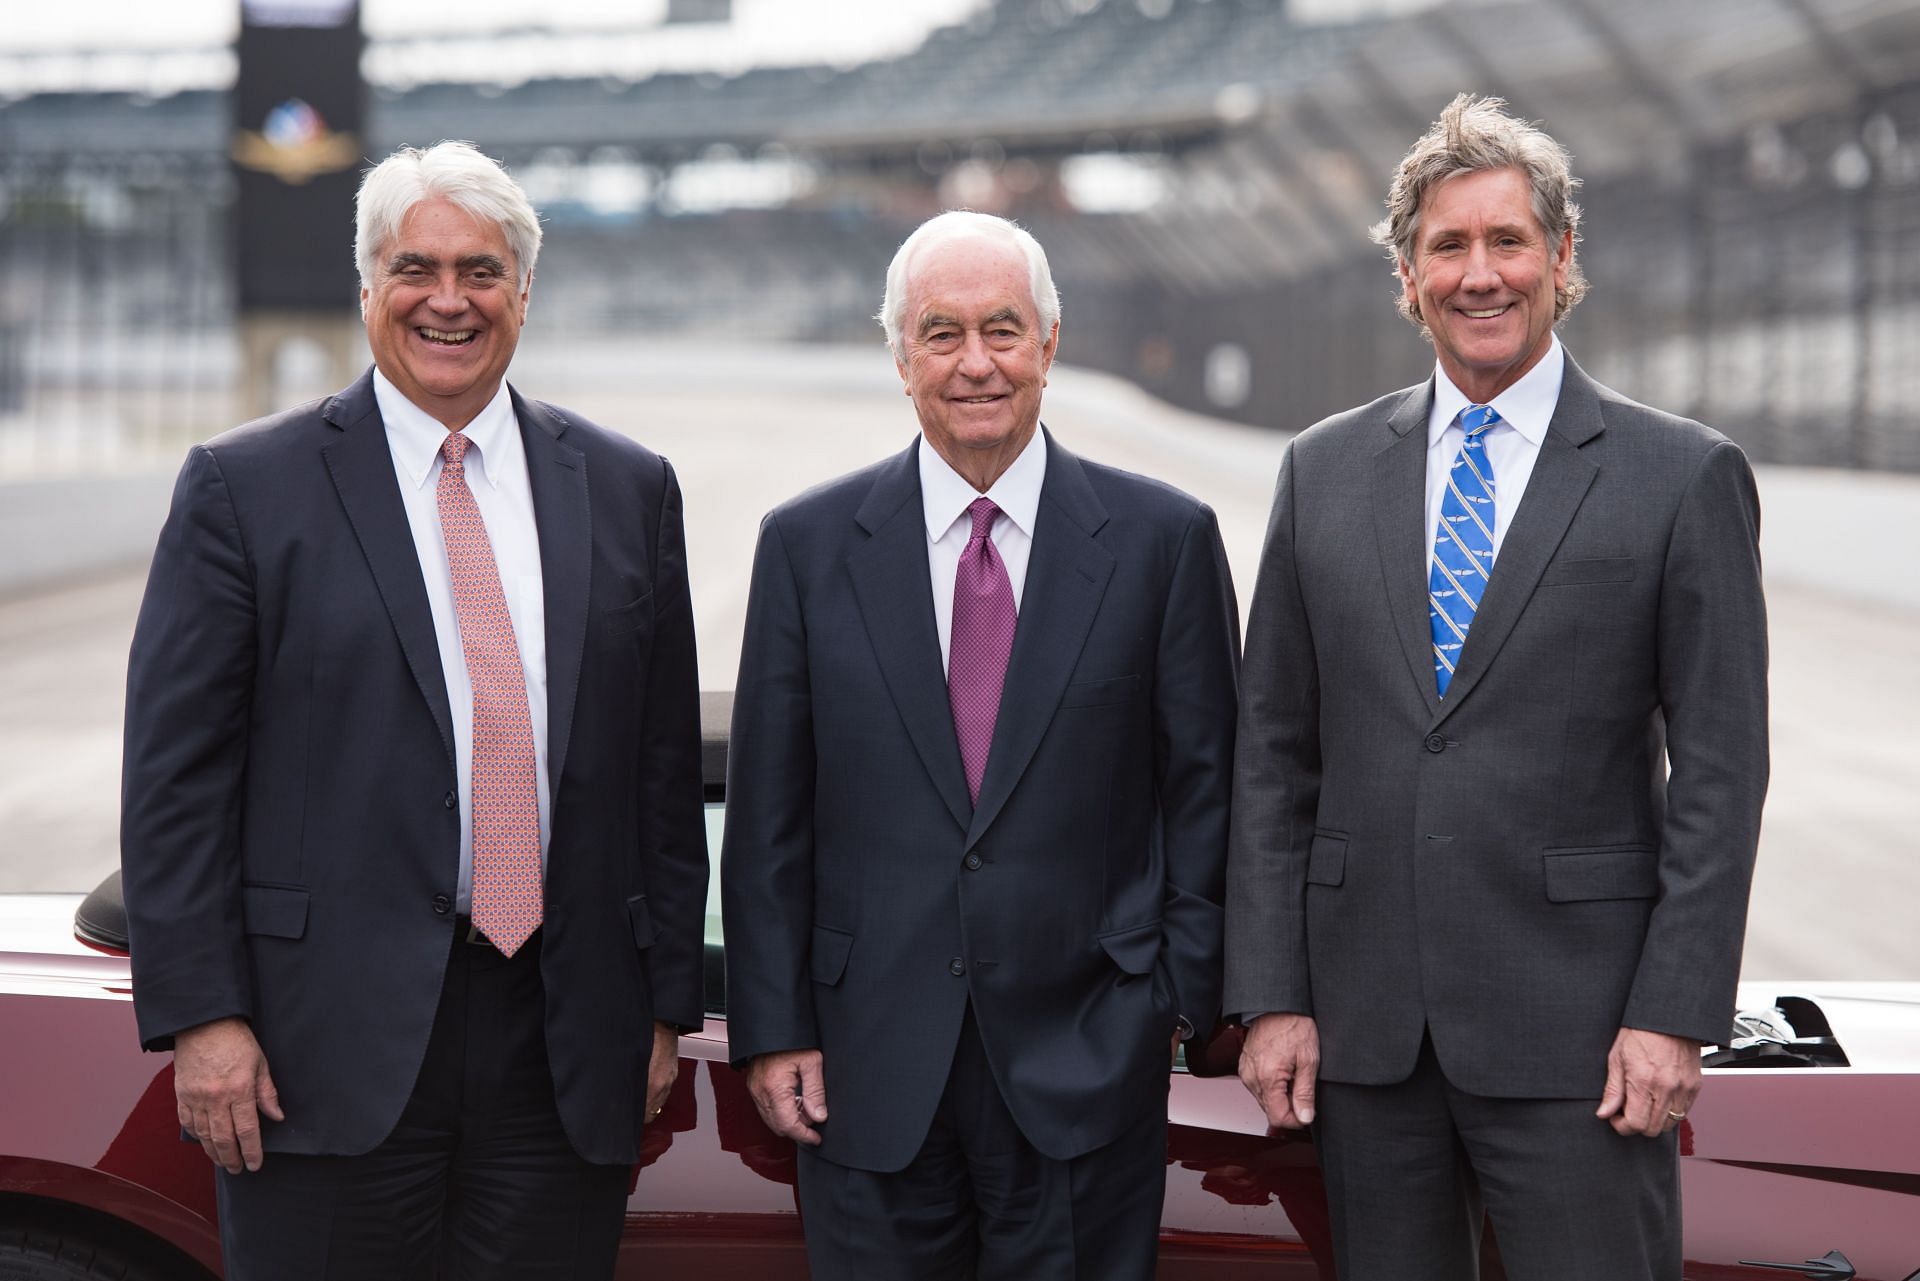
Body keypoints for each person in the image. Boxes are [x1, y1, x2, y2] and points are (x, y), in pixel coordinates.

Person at [119, 140, 708, 1280]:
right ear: (367, 287)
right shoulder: (247, 490)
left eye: (481, 271)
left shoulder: (632, 490)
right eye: (416, 269)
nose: (449, 300)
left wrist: (663, 1008)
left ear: (524, 295)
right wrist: (203, 1019)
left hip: (564, 1050)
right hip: (314, 1052)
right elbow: (175, 781)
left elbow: (659, 770)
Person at [1224, 94, 1768, 1279]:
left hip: (1588, 1043)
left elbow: (1722, 774)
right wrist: (1270, 996)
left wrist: (1675, 1013)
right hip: (1368, 1047)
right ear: (1408, 273)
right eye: (1448, 247)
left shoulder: (1682, 477)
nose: (1481, 274)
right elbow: (1273, 754)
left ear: (1562, 257)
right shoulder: (1321, 473)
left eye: (1507, 240)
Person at [720, 210, 1239, 1281]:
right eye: (942, 334)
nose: (975, 364)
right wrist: (772, 1029)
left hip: (1090, 1066)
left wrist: (1170, 1005)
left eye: (1002, 330)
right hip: (863, 1078)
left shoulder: (1165, 543)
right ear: (900, 358)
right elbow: (770, 819)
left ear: (1050, 344)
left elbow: (1210, 797)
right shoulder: (807, 550)